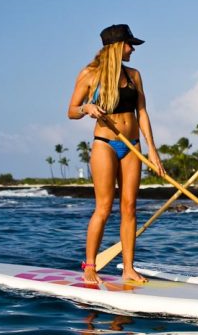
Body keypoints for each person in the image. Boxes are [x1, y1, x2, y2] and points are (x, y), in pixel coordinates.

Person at [68, 24, 165, 284]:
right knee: (104, 207)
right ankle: (90, 266)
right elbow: (71, 110)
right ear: (115, 46)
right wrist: (87, 108)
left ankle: (129, 268)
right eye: (129, 44)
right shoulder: (90, 75)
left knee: (130, 207)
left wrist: (153, 150)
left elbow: (142, 113)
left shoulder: (134, 75)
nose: (133, 49)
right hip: (105, 144)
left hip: (132, 145)